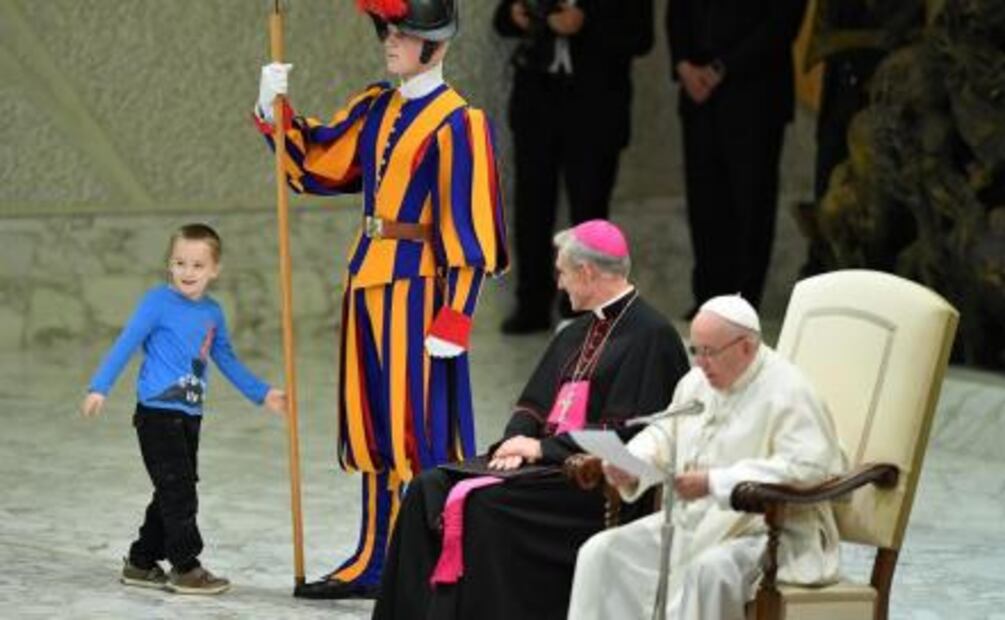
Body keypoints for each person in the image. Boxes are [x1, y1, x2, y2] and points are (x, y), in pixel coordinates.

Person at [253, 0, 508, 599]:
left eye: (404, 33)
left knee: (417, 429)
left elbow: (472, 227)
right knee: (372, 426)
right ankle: (374, 556)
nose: (390, 41)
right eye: (387, 30)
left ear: (436, 46)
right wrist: (274, 110)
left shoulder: (458, 121)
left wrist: (457, 314)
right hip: (367, 280)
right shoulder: (376, 106)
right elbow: (316, 165)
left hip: (420, 288)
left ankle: (422, 557)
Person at [373, 220, 691, 620]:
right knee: (427, 487)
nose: (558, 284)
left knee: (484, 505)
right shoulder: (574, 331)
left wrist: (542, 449)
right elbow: (532, 405)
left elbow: (635, 434)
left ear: (587, 272)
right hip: (541, 466)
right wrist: (516, 444)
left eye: (562, 272)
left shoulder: (652, 335)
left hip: (590, 481)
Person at [567, 294, 846, 620]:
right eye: (695, 350)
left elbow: (809, 468)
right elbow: (664, 434)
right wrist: (630, 462)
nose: (700, 362)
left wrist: (716, 482)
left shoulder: (789, 391)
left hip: (768, 532)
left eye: (710, 352)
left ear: (746, 347)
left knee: (709, 571)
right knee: (601, 553)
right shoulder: (696, 383)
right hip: (695, 523)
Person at [80, 223, 287, 595]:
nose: (187, 272)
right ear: (169, 265)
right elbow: (126, 343)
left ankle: (141, 562)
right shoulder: (157, 302)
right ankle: (186, 566)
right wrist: (100, 387)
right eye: (179, 263)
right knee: (179, 492)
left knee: (171, 489)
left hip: (190, 416)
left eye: (197, 265)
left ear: (214, 270)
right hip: (156, 415)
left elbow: (226, 359)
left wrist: (262, 393)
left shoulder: (213, 312)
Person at [494, 0, 655, 334]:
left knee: (590, 210)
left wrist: (584, 23)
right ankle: (531, 303)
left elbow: (641, 37)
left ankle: (583, 305)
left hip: (595, 106)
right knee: (532, 206)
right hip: (538, 103)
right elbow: (502, 19)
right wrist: (516, 15)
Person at [668, 0, 808, 316]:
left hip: (755, 94)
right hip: (699, 97)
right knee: (704, 201)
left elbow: (783, 22)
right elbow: (678, 12)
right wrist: (682, 64)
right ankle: (708, 297)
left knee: (752, 202)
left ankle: (743, 302)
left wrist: (724, 68)